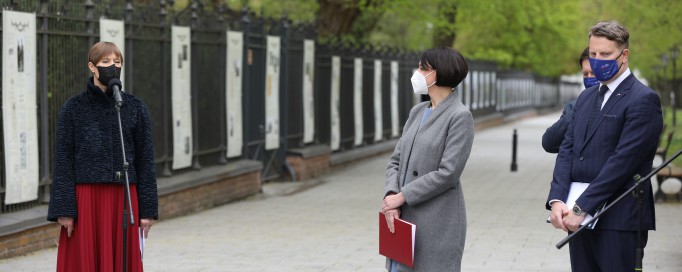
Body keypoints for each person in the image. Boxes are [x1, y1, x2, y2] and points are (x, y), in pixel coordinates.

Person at [546, 21, 662, 271]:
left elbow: (623, 162)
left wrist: (582, 207)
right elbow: (568, 150)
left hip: (618, 217)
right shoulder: (587, 97)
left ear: (624, 55)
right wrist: (557, 199)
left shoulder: (643, 100)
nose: (598, 60)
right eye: (594, 54)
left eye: (606, 55)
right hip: (577, 219)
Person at [47, 41, 158, 272]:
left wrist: (147, 210)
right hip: (86, 200)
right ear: (92, 67)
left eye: (117, 62)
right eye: (106, 62)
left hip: (124, 197)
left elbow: (146, 161)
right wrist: (64, 210)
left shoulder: (135, 107)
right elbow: (63, 162)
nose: (113, 67)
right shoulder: (73, 108)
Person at [381, 47, 474, 272]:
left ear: (440, 73)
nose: (418, 72)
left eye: (424, 68)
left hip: (437, 221)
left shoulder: (460, 116)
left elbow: (448, 173)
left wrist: (404, 196)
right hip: (402, 218)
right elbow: (396, 160)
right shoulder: (417, 111)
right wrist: (392, 195)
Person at [542, 48, 598, 153]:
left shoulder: (617, 103)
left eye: (593, 73)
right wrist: (580, 107)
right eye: (585, 74)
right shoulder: (573, 106)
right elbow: (549, 143)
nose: (589, 78)